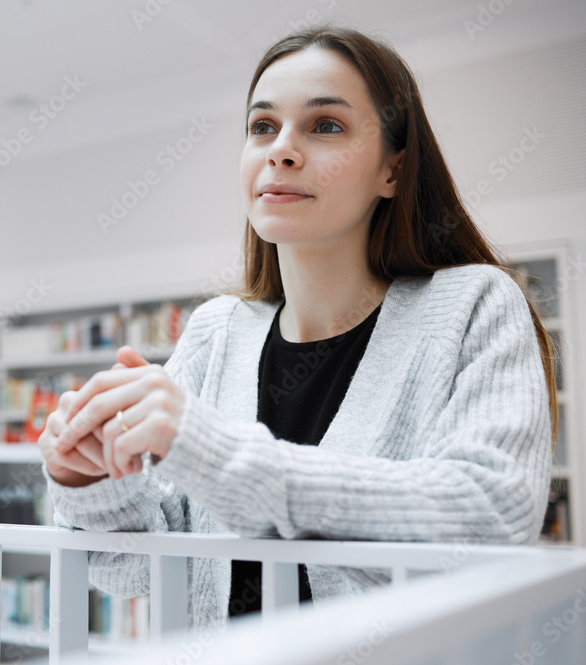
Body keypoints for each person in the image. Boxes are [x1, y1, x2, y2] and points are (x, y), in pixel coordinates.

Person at [37, 23, 558, 630]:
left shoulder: (474, 304)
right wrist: (91, 479)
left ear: (393, 170)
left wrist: (222, 455)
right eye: (262, 127)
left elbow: (491, 516)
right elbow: (133, 571)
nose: (280, 149)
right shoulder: (216, 331)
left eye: (325, 126)